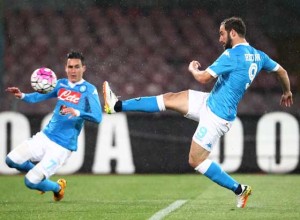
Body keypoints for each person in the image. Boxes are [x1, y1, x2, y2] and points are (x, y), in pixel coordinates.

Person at [103, 17, 293, 208]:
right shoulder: (259, 56)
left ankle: (240, 189)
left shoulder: (233, 55)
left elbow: (203, 78)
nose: (219, 39)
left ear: (233, 33)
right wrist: (287, 91)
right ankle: (116, 106)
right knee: (170, 98)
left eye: (221, 34)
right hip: (210, 102)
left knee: (195, 160)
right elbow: (282, 71)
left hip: (216, 116)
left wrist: (193, 69)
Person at [5, 51, 102, 201]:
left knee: (30, 181)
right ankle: (40, 177)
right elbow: (39, 96)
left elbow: (97, 117)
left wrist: (78, 112)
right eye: (70, 67)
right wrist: (23, 95)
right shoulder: (60, 84)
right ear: (65, 68)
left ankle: (57, 187)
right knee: (11, 160)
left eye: (77, 67)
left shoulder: (89, 90)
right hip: (45, 136)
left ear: (84, 68)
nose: (73, 71)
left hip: (62, 147)